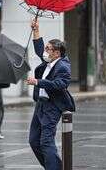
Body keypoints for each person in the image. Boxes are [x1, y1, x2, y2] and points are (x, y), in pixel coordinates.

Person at [25, 19, 75, 170]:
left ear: (57, 53)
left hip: (53, 107)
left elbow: (60, 85)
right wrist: (36, 30)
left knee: (46, 142)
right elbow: (39, 49)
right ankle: (54, 167)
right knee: (34, 141)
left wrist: (38, 82)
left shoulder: (63, 66)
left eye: (48, 49)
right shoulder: (49, 61)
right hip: (41, 104)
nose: (45, 52)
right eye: (46, 48)